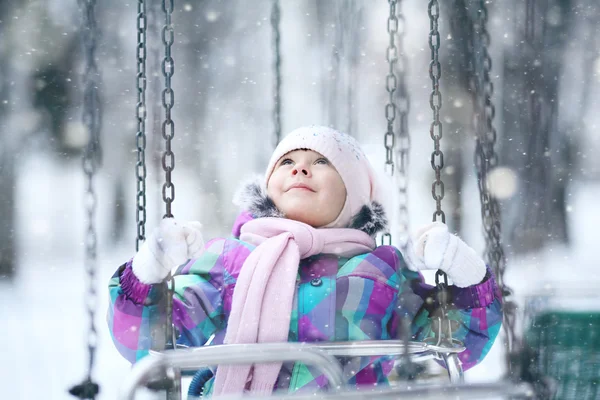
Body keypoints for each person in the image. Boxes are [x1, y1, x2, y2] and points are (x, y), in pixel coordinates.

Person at [107, 126, 502, 396]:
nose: (300, 168)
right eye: (286, 162)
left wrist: (465, 272)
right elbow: (153, 343)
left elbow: (455, 343)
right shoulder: (232, 259)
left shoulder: (382, 271)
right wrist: (149, 272)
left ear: (354, 196)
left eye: (321, 162)